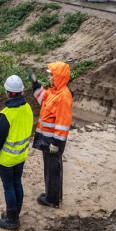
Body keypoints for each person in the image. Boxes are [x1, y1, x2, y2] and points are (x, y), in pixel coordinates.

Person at [0, 75, 34, 230]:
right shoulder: (27, 108)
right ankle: (14, 214)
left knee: (9, 187)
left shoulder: (6, 114)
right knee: (17, 183)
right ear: (21, 92)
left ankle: (12, 221)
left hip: (7, 159)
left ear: (7, 92)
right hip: (21, 155)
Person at [29, 62, 73, 209]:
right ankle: (52, 195)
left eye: (51, 75)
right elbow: (43, 99)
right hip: (48, 140)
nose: (49, 77)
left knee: (53, 170)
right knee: (50, 168)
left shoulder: (63, 97)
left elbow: (63, 123)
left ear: (58, 76)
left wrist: (56, 143)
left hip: (53, 142)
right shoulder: (54, 92)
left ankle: (52, 200)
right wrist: (35, 83)